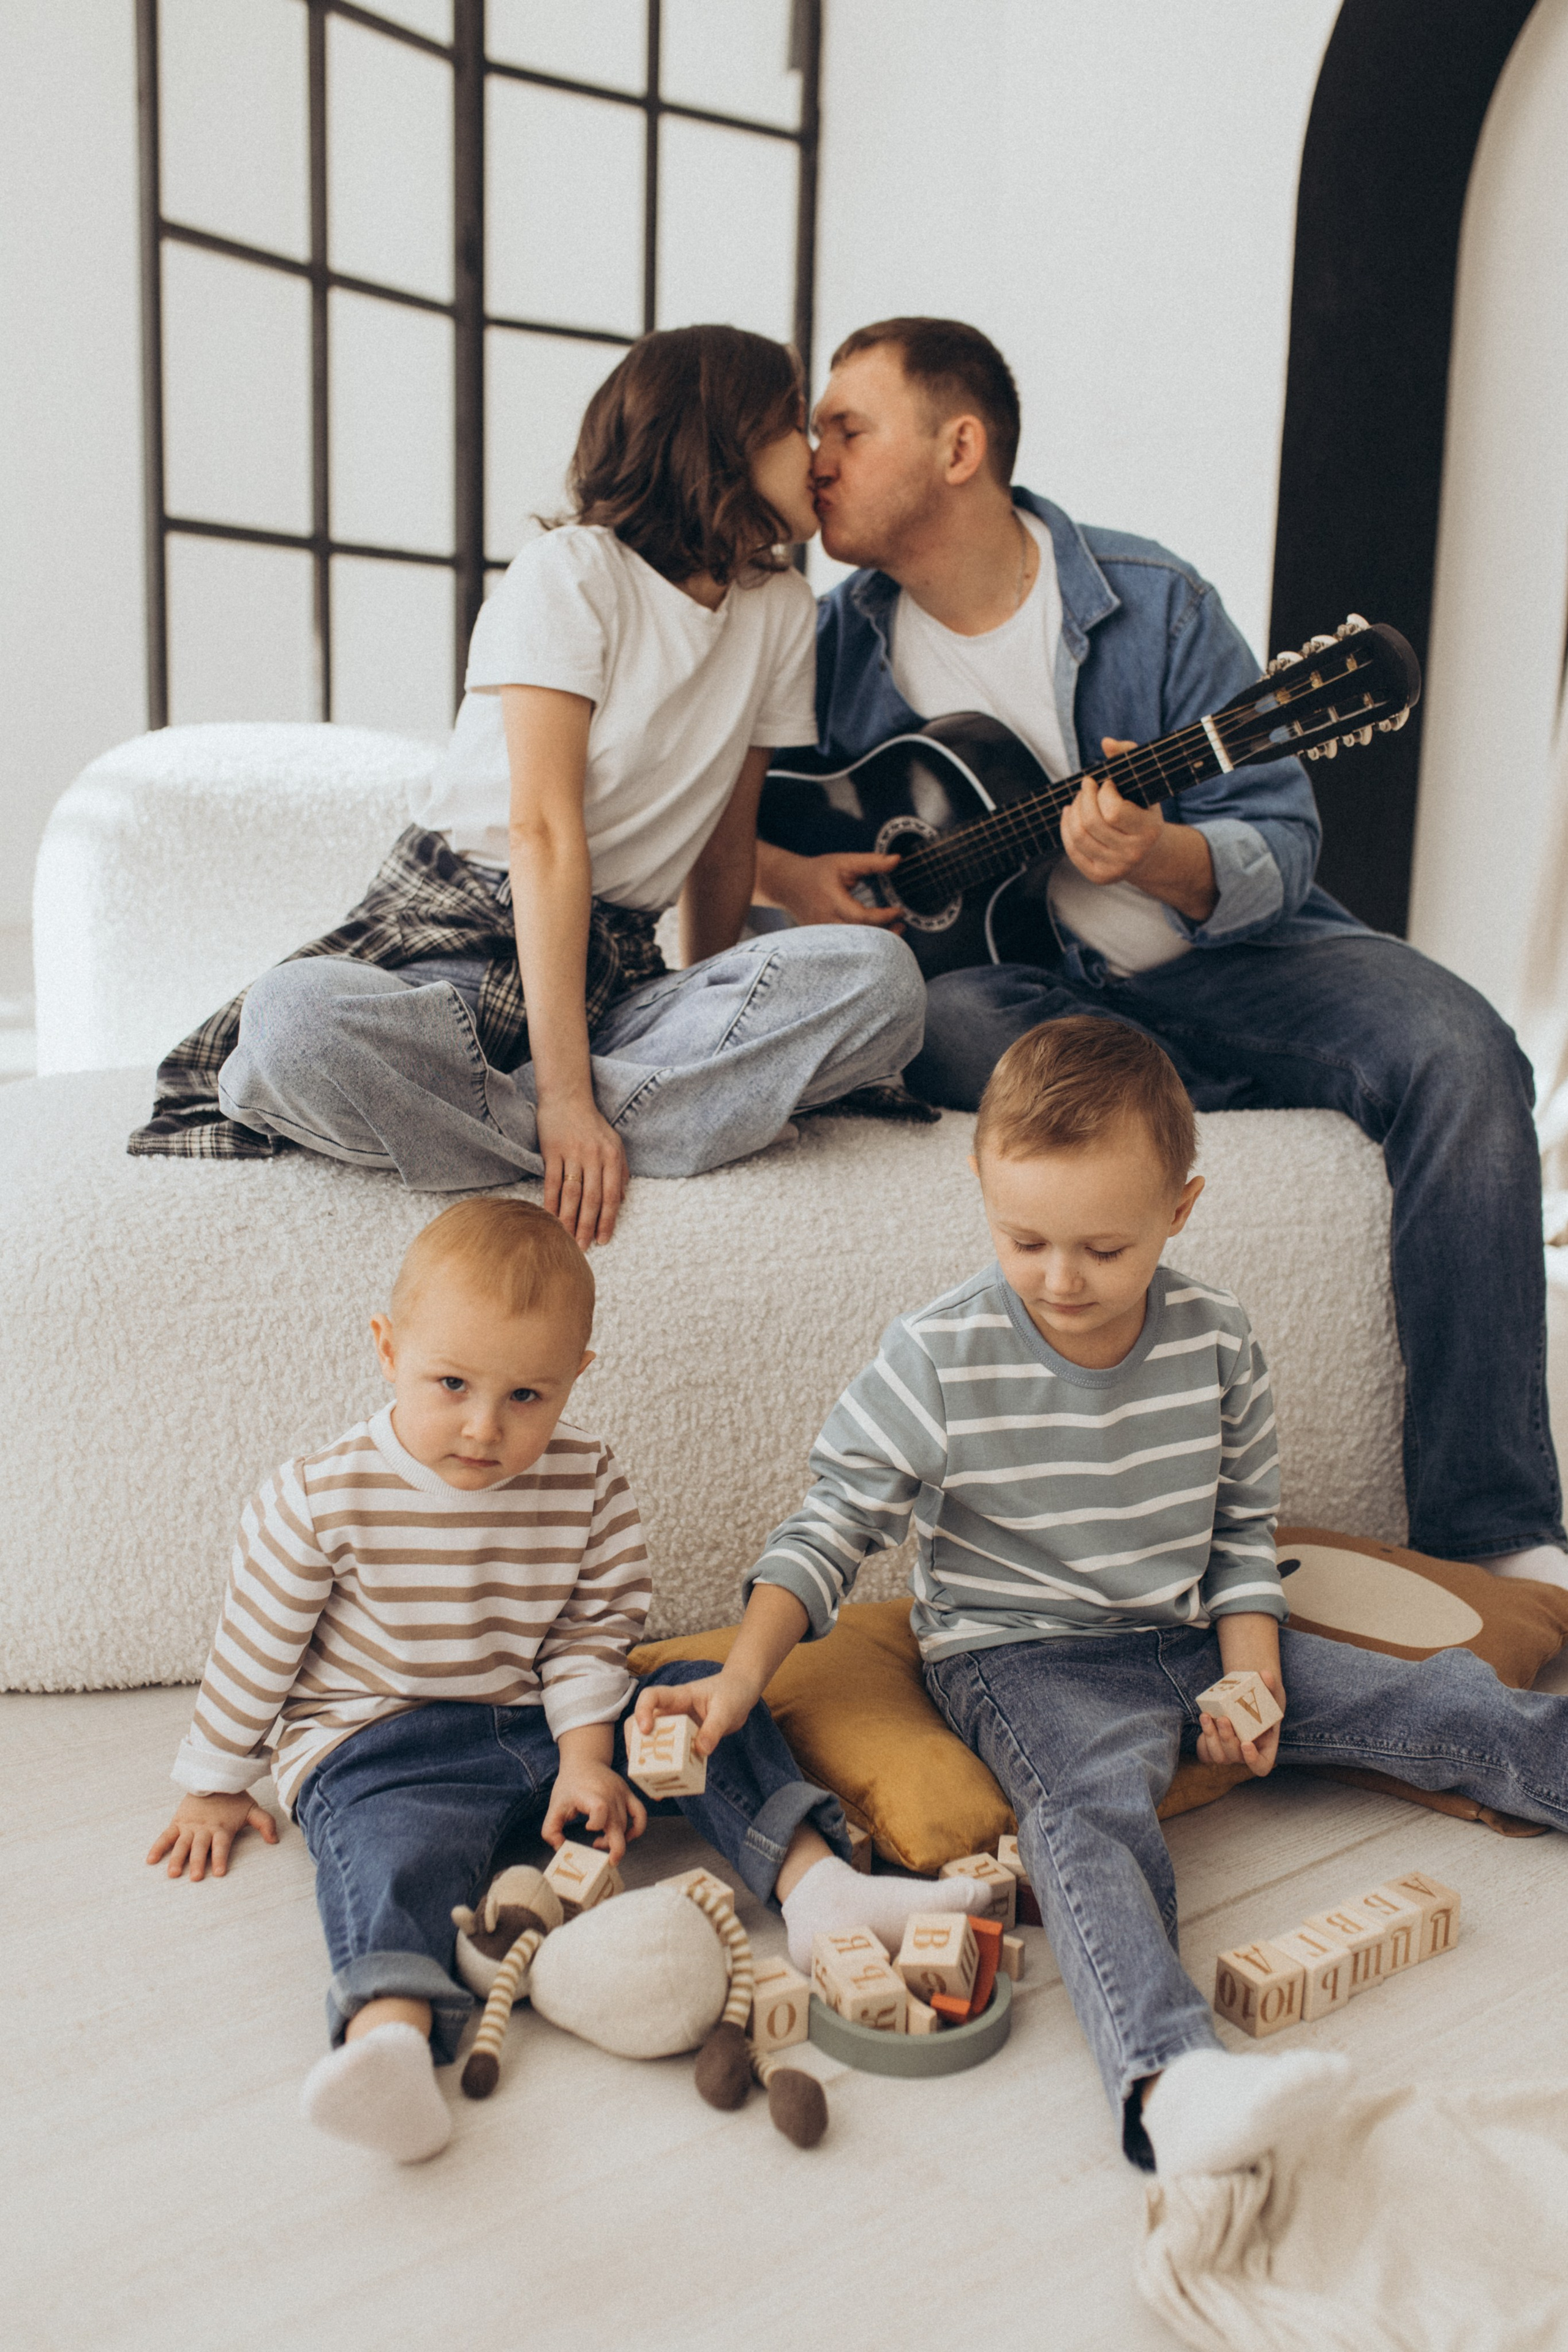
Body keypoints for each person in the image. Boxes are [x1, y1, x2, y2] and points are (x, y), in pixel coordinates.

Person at [635, 1019, 1568, 2174]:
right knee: (1091, 1823)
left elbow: (1239, 1536)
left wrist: (1253, 1673)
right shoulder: (938, 1355)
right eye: (1024, 1240)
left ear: (1179, 1211)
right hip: (1019, 1659)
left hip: (1188, 1634)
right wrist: (739, 1676)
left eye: (1103, 1249)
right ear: (980, 1187)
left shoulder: (1218, 1344)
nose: (1061, 1280)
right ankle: (1171, 2079)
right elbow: (827, 1531)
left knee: (1447, 1704)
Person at [752, 316, 1564, 1586]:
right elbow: (732, 817)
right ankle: (1202, 1089)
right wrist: (783, 877)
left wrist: (1154, 855)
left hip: (1225, 960)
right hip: (1026, 997)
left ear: (958, 445)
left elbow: (1279, 836)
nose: (816, 461)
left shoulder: (1152, 601)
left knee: (1465, 1049)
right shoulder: (823, 644)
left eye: (847, 429)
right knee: (948, 1017)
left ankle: (1495, 1529)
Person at [146, 1196, 983, 2162]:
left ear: (575, 1379)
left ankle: (818, 1887)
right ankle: (391, 2039)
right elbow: (257, 1646)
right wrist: (213, 1783)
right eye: (450, 1383)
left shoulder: (586, 1482)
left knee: (699, 1690)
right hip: (382, 1743)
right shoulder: (320, 1498)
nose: (483, 1428)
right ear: (387, 1350)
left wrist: (589, 1757)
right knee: (391, 1855)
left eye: (526, 1398)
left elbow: (594, 1631)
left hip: (541, 1722)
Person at [129, 325, 924, 1249]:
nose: (821, 456)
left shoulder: (782, 609)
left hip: (613, 975)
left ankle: (517, 1123)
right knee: (292, 1025)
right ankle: (614, 1125)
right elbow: (541, 834)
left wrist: (715, 997)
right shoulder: (574, 572)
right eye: (799, 427)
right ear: (725, 441)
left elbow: (723, 840)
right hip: (454, 940)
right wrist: (564, 1100)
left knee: (883, 984)